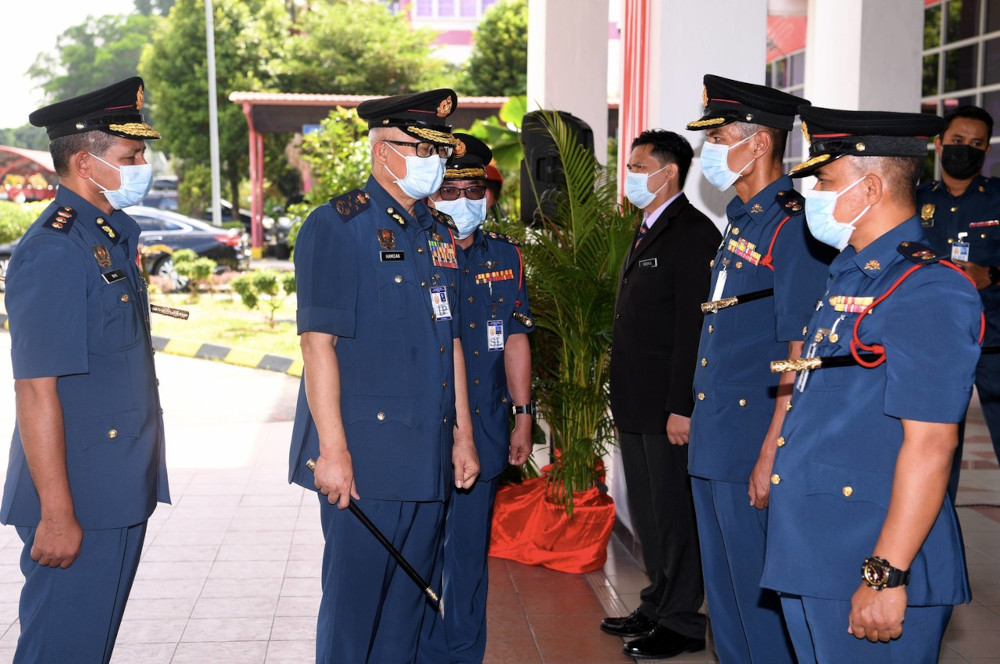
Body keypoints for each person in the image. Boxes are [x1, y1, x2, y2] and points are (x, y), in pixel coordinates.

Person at [761, 106, 980, 663]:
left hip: (870, 554)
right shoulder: (851, 273)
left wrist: (886, 573)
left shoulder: (928, 288)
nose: (811, 193)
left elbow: (932, 444)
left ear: (872, 186)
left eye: (826, 181)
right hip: (818, 545)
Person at [288, 89, 481, 663]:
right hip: (366, 458)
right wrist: (333, 452)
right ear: (383, 151)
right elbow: (316, 345)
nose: (434, 161)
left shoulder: (438, 233)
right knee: (354, 612)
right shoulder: (336, 225)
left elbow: (451, 343)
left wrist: (463, 435)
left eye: (438, 150)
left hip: (427, 452)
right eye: (420, 148)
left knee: (407, 609)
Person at [0, 76, 170, 663]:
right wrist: (56, 513)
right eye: (131, 156)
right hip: (79, 497)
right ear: (84, 161)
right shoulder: (53, 249)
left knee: (86, 647)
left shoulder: (108, 237)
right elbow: (35, 389)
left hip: (113, 486)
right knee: (62, 649)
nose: (142, 165)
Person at [685, 74, 834, 664]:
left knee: (756, 597)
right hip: (717, 430)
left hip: (751, 437)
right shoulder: (743, 220)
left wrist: (773, 446)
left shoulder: (792, 225)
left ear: (758, 143)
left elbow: (798, 346)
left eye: (719, 136)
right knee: (725, 598)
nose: (710, 151)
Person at [599, 129, 718, 660]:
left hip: (668, 406)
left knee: (674, 514)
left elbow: (694, 330)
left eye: (638, 166)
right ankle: (656, 600)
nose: (631, 175)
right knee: (649, 513)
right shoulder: (648, 228)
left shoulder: (692, 233)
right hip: (636, 400)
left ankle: (683, 621)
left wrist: (682, 406)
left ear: (668, 172)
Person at [422, 133, 534, 663]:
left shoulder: (507, 257)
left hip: (486, 425)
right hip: (423, 428)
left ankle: (462, 653)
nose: (465, 202)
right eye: (451, 190)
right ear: (430, 194)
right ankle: (417, 650)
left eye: (474, 190)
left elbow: (514, 336)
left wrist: (523, 414)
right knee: (419, 551)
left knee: (467, 556)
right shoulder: (415, 251)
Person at [916, 105, 1000, 493]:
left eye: (977, 144)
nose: (967, 149)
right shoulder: (914, 200)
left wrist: (992, 275)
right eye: (958, 141)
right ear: (939, 144)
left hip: (994, 342)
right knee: (935, 452)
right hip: (935, 343)